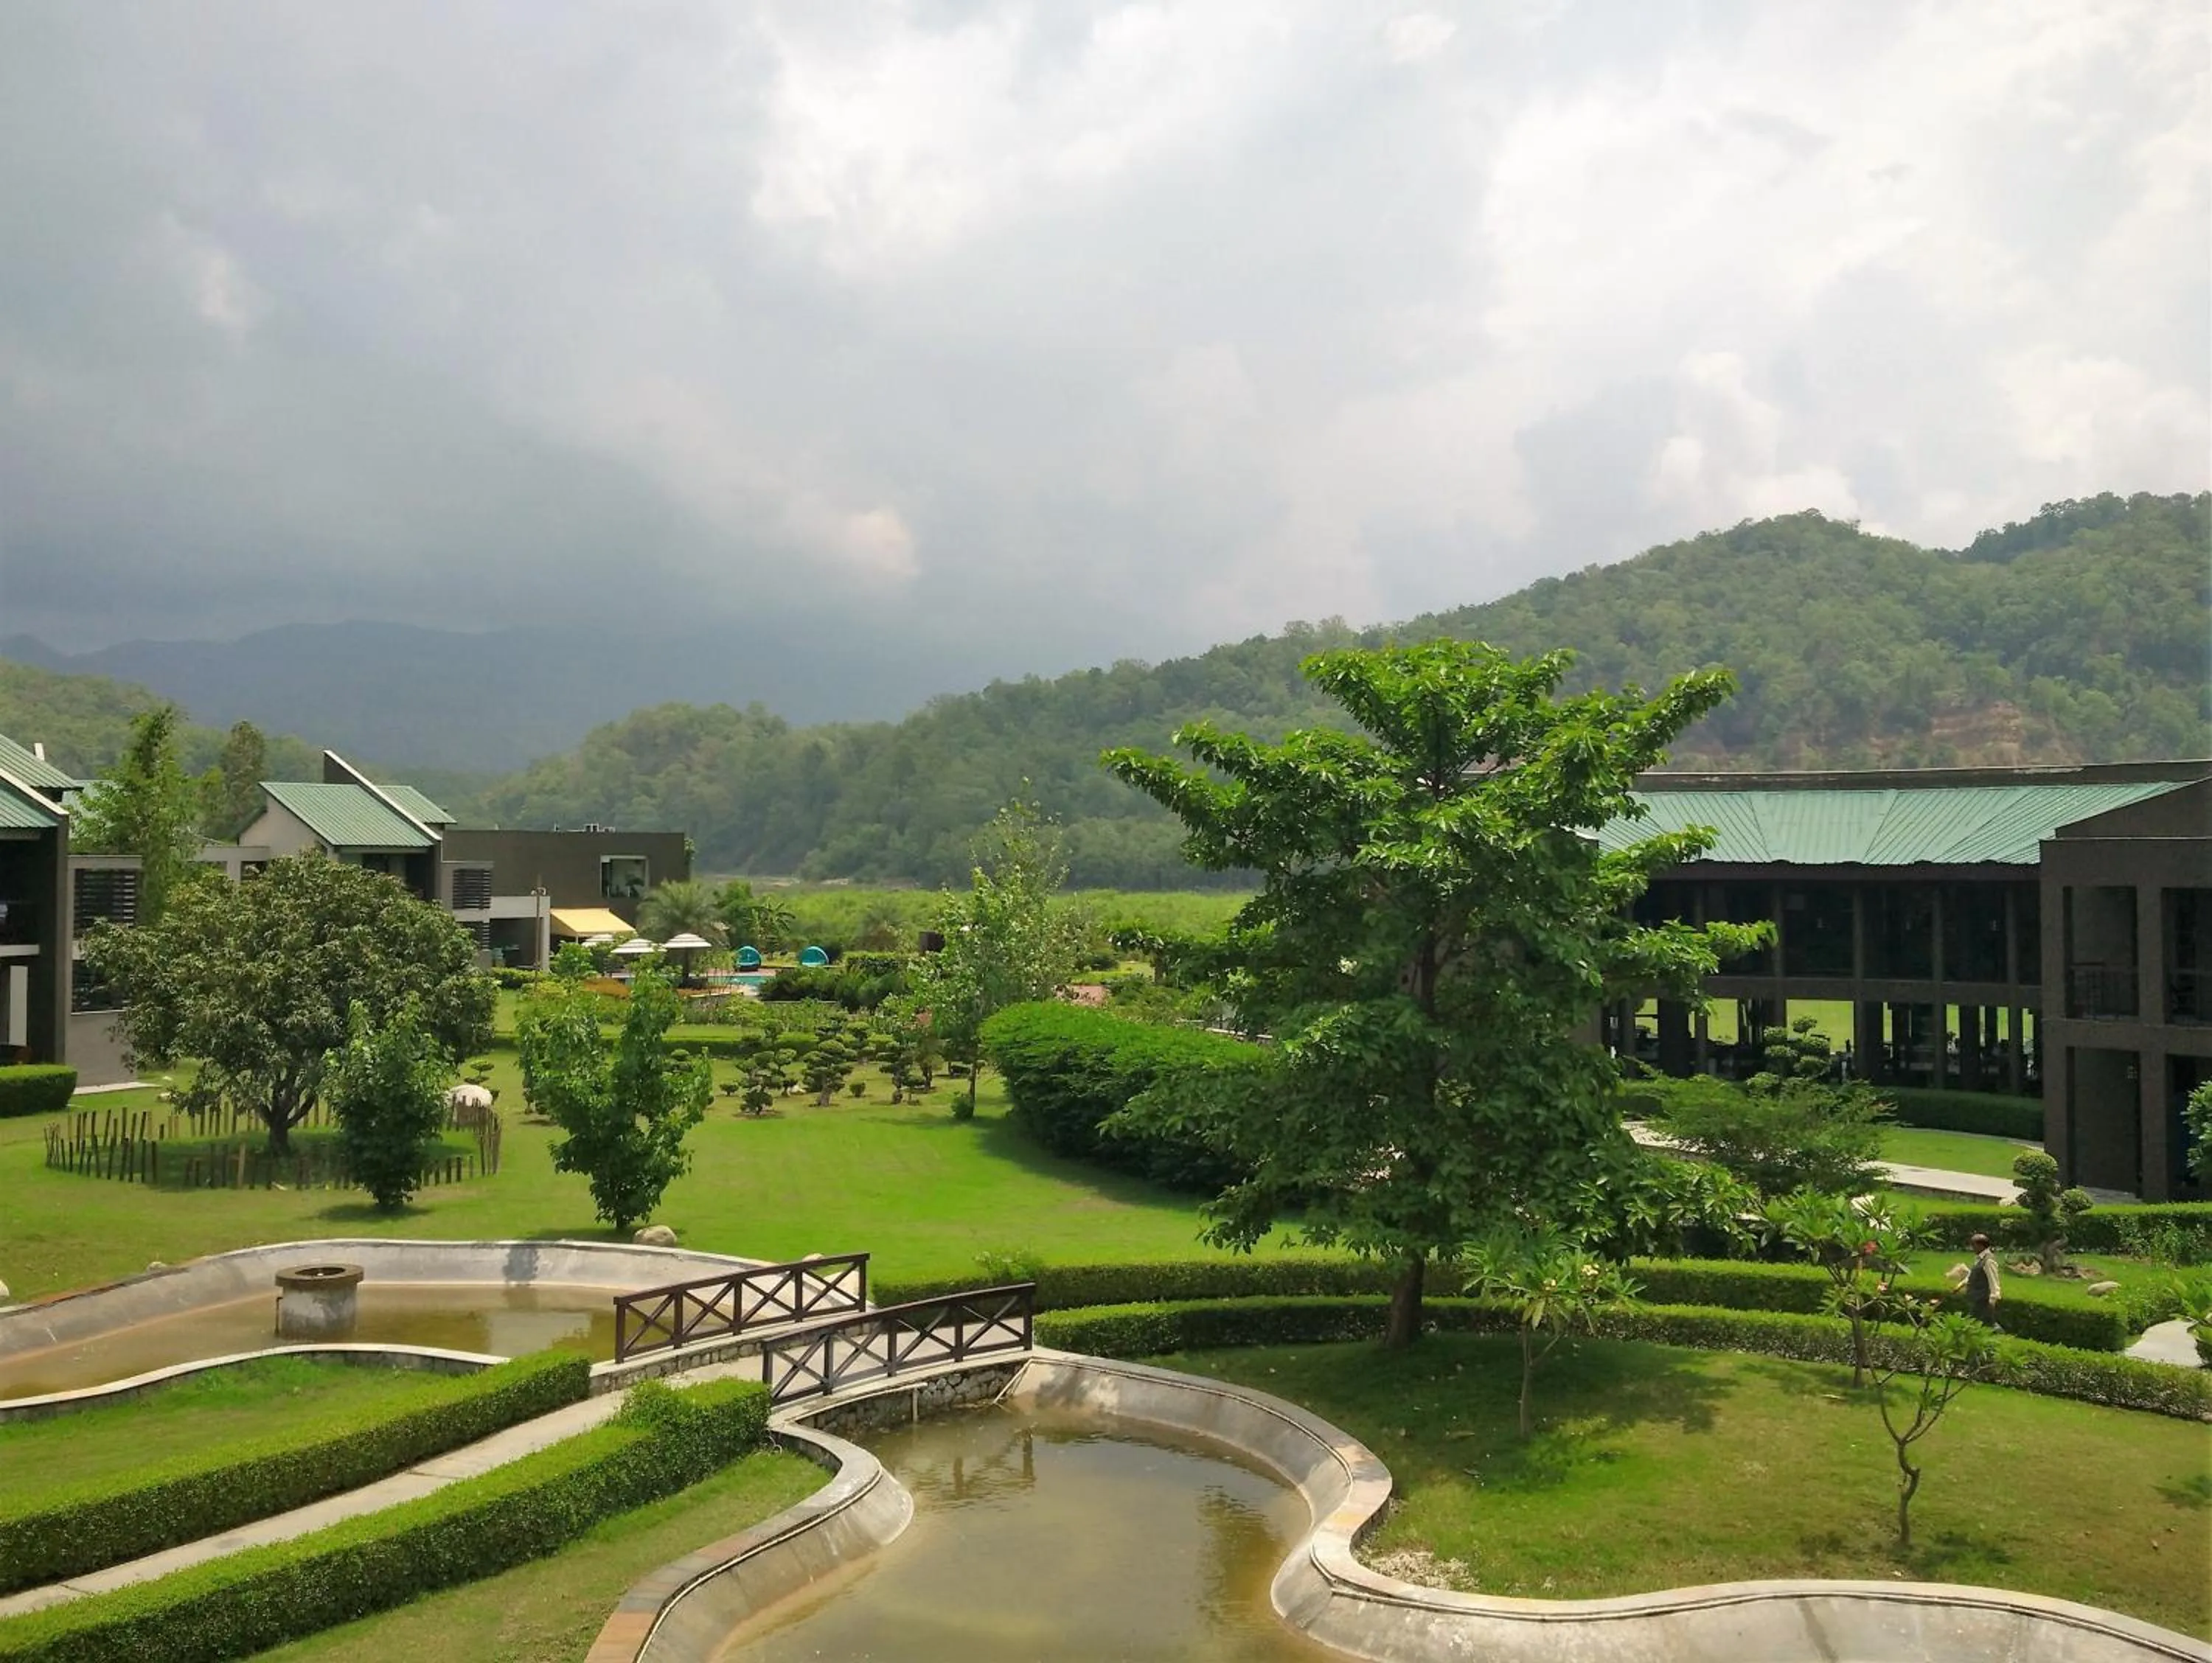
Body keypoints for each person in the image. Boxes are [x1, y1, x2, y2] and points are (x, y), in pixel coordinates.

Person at [1964, 1232, 2002, 1326]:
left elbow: (1993, 1280)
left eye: (1974, 1245)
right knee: (1985, 1323)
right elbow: (1974, 1275)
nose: (1972, 1248)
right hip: (1977, 1298)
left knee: (1978, 1322)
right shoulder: (1980, 1259)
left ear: (1981, 1246)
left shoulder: (1989, 1260)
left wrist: (1993, 1299)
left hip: (1983, 1299)